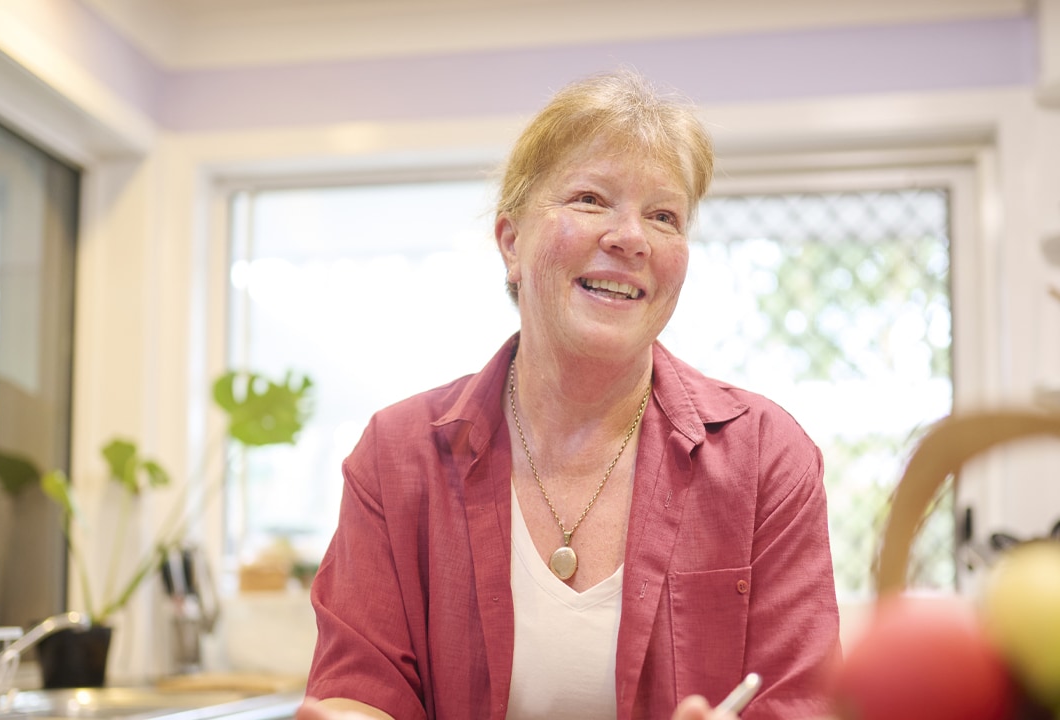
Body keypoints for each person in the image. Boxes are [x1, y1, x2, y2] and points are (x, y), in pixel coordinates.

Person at [295, 68, 841, 720]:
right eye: (589, 199)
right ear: (511, 243)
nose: (631, 237)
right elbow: (359, 694)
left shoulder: (765, 457)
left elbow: (801, 701)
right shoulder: (396, 456)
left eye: (664, 215)